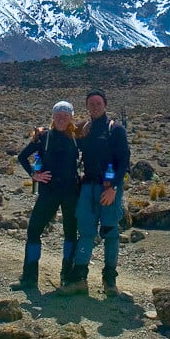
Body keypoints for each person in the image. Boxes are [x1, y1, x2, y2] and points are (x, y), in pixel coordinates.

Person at [58, 88, 130, 297]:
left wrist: (114, 188)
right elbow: (61, 132)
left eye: (98, 103)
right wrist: (40, 132)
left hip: (108, 189)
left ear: (105, 105)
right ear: (87, 107)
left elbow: (124, 161)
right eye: (91, 104)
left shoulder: (115, 129)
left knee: (110, 233)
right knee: (87, 232)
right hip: (88, 187)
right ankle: (80, 278)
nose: (95, 107)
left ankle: (110, 281)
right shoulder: (84, 129)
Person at [11, 101, 80, 291]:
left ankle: (67, 277)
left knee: (70, 234)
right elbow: (22, 156)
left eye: (65, 115)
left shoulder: (77, 137)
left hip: (70, 192)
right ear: (53, 116)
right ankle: (29, 278)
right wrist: (34, 174)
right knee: (33, 230)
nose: (61, 118)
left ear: (71, 117)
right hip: (48, 191)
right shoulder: (44, 137)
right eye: (58, 115)